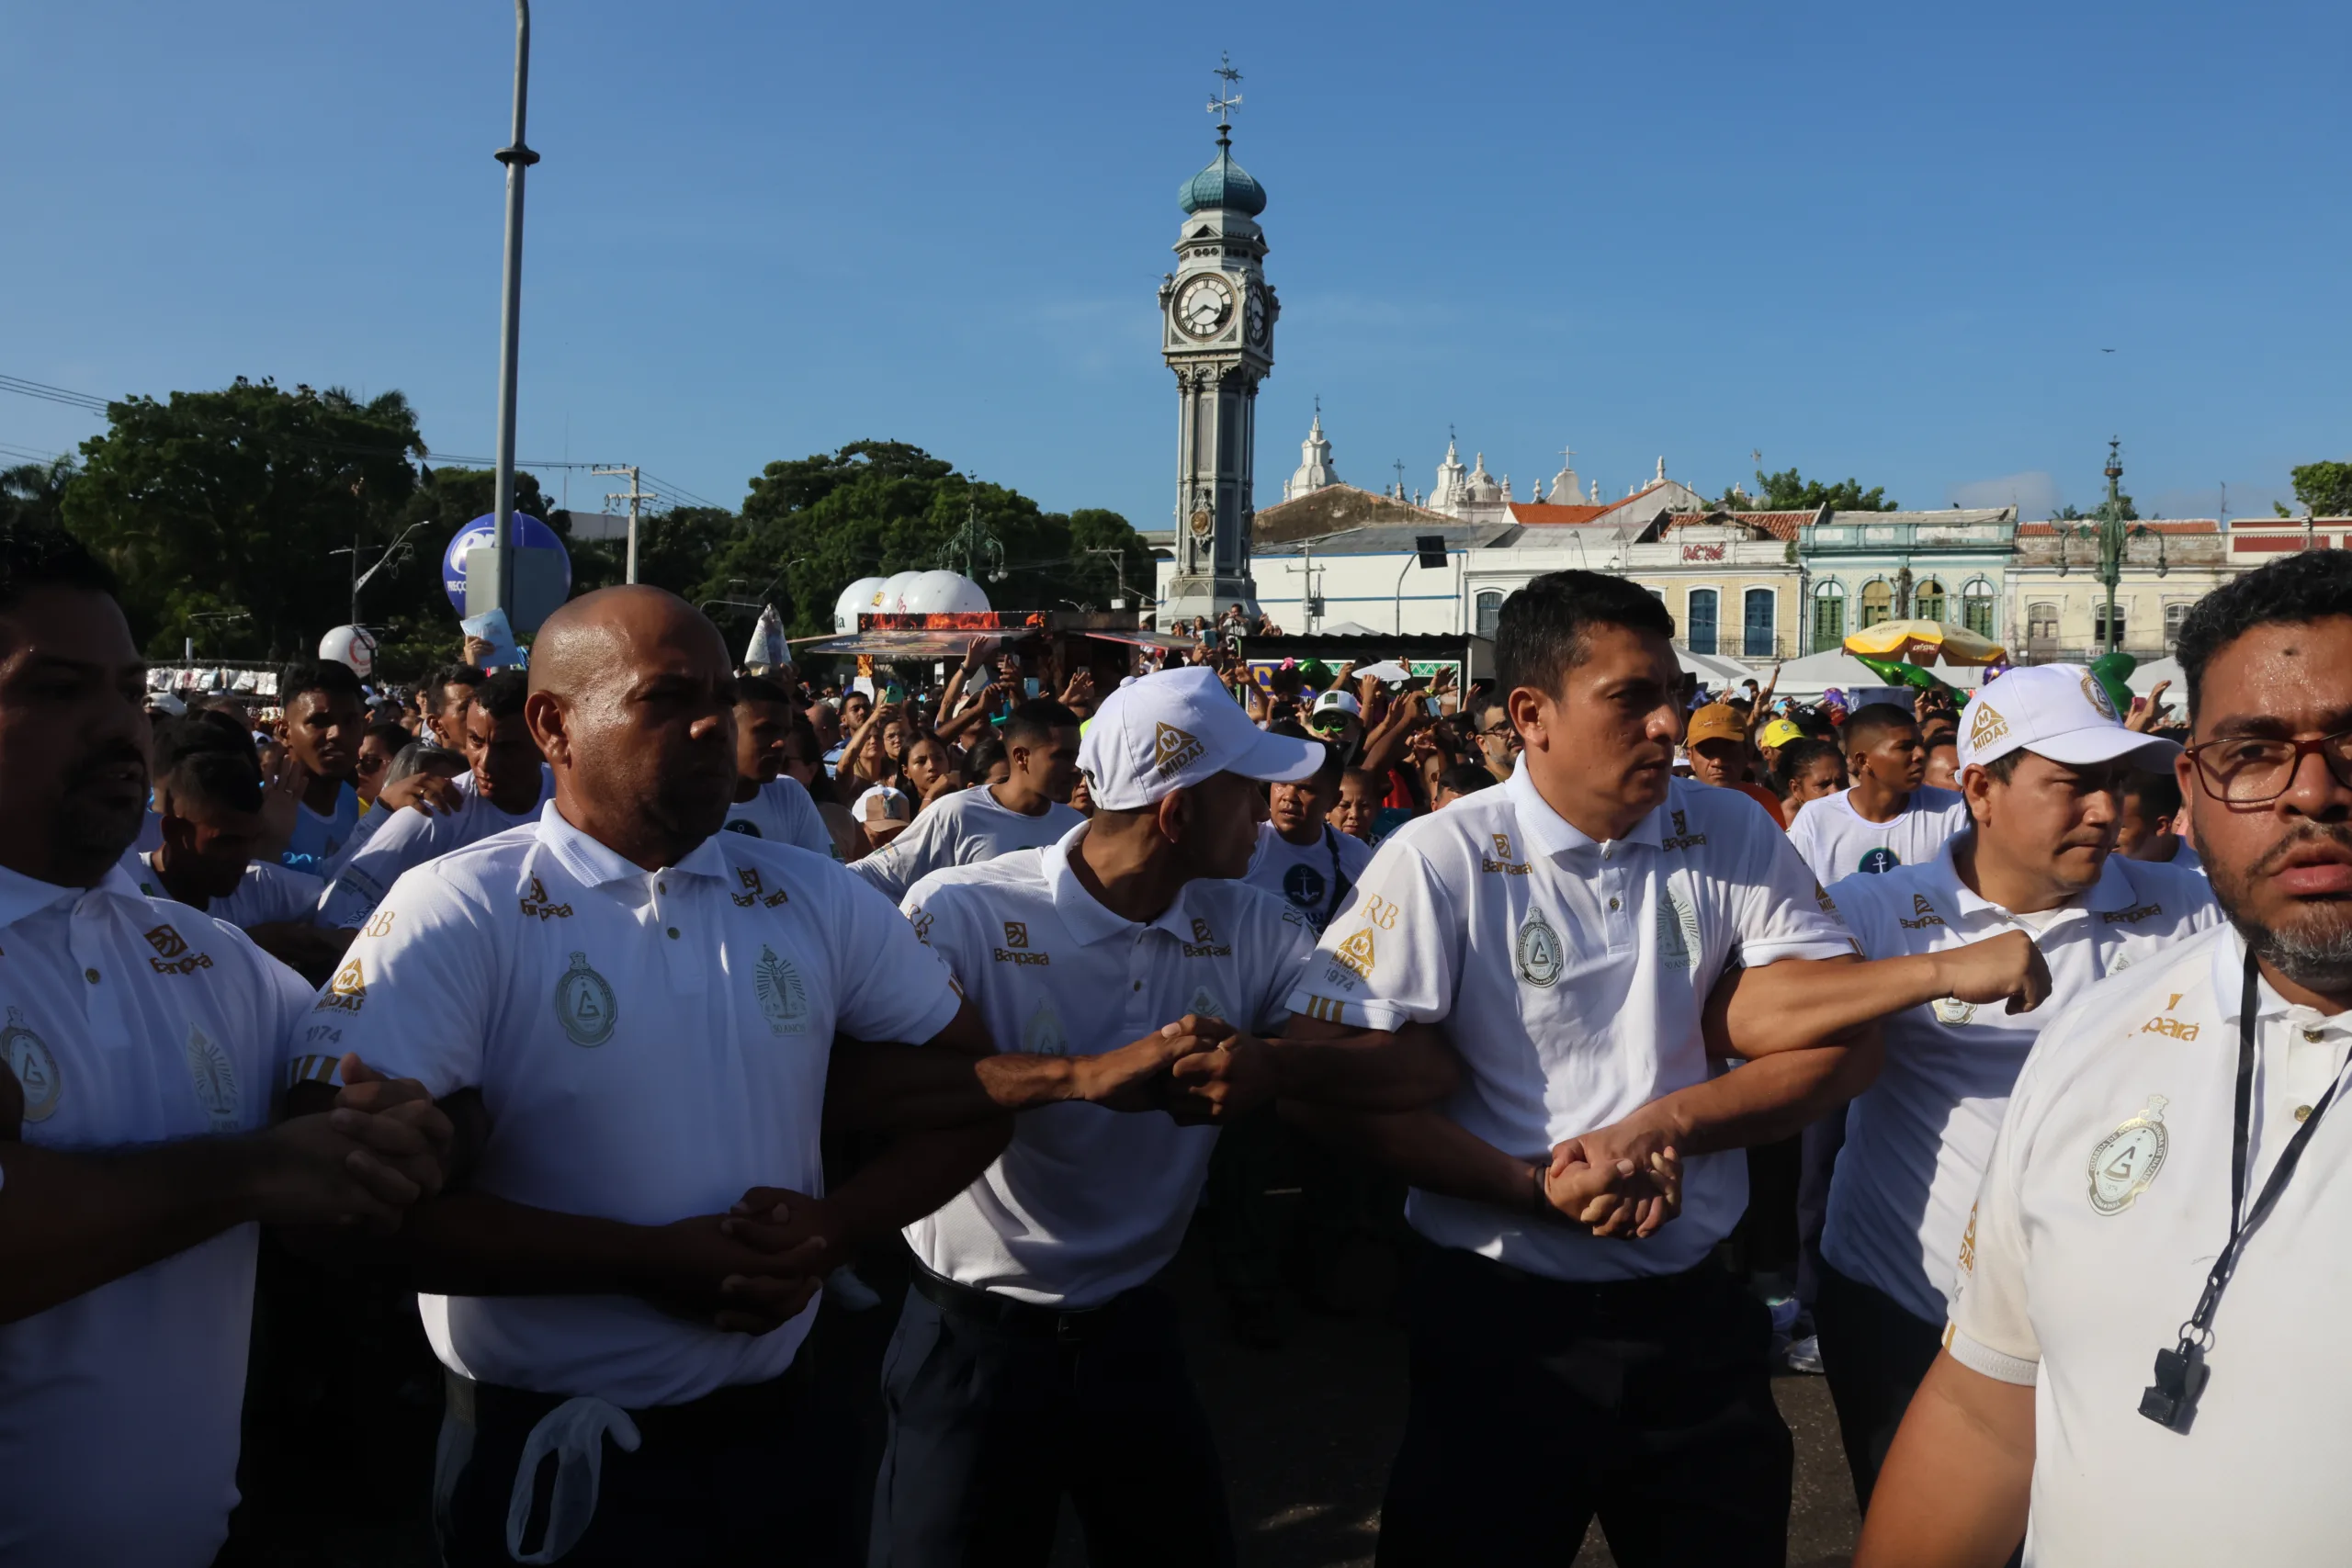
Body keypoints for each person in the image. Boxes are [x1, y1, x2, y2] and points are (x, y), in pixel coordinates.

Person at [302, 586, 1192, 1567]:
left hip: (783, 1433)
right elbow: (359, 1215)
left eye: (720, 696)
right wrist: (648, 1263)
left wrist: (833, 1229)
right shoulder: (460, 907)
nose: (707, 722)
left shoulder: (813, 896)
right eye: (664, 697)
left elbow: (969, 1094)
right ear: (553, 724)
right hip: (551, 1453)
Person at [1274, 570, 2047, 1565]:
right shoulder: (1441, 858)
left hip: (1693, 1315)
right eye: (1630, 699)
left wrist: (1674, 1125)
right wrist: (1527, 1188)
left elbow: (1839, 1045)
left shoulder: (1726, 831)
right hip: (1500, 1323)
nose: (1667, 726)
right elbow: (1319, 1083)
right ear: (1530, 715)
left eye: (1672, 694)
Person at [873, 667, 1459, 1566]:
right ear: (1176, 817)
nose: (1268, 815)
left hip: (1131, 1333)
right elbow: (881, 1095)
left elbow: (1401, 1058)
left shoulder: (1252, 924)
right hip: (969, 1341)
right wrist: (1078, 1076)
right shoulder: (963, 909)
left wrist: (1274, 1063)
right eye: (1246, 794)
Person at [1859, 550, 2352, 1567]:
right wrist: (1932, 973)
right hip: (1890, 1292)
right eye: (2253, 753)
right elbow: (1987, 1410)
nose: (2311, 793)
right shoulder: (2092, 1040)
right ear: (2195, 785)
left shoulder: (2157, 914)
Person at [0, 527, 446, 1567]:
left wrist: (397, 1135)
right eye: (60, 690)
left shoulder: (216, 963)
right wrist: (256, 1174)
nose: (118, 727)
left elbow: (342, 1125)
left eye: (125, 690)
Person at [1815, 664, 2219, 1511]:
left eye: (2115, 783)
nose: (2106, 810)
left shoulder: (2189, 908)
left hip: (2107, 1321)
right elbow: (1759, 1014)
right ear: (1980, 789)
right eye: (2072, 786)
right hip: (1910, 1310)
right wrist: (1934, 973)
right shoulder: (1880, 909)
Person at [314, 670, 550, 930]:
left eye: (507, 747)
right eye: (476, 741)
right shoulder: (433, 812)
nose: (485, 762)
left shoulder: (571, 799)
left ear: (542, 738)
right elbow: (338, 908)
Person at [130, 745, 352, 976]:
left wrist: (316, 939)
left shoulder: (257, 883)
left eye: (252, 839)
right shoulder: (126, 892)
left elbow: (350, 901)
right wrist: (249, 945)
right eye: (227, 841)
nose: (243, 856)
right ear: (175, 832)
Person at [849, 701, 1085, 902]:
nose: (1077, 768)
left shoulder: (1077, 829)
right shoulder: (957, 813)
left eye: (1078, 755)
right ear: (1021, 757)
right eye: (1063, 756)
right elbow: (876, 875)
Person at [1787, 703, 1970, 883]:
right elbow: (1795, 896)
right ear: (1864, 760)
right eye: (1905, 747)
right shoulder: (1815, 819)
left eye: (1919, 744)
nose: (1920, 754)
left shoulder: (1954, 810)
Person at [1245, 734, 1373, 935]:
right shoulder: (1243, 845)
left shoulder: (1357, 855)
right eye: (1281, 783)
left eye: (1305, 789)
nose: (1289, 796)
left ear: (1333, 800)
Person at [718, 673, 832, 856]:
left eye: (785, 733)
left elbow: (825, 874)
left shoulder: (790, 795)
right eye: (766, 730)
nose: (781, 743)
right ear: (726, 728)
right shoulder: (687, 801)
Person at [277, 660, 368, 874]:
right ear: (284, 732)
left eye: (350, 721)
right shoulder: (257, 805)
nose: (336, 734)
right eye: (319, 721)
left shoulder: (348, 799)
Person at [1686, 701, 1790, 826]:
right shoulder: (1670, 807)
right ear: (1690, 758)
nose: (1718, 762)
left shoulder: (1764, 804)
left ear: (1748, 753)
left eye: (1728, 750)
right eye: (1708, 752)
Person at [2118, 766, 2201, 869]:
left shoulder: (2209, 876)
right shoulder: (2100, 870)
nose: (2104, 830)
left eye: (2118, 825)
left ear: (2160, 826)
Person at [1776, 736, 1849, 820]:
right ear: (1796, 790)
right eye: (1823, 785)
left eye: (1842, 781)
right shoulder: (1791, 833)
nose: (1836, 791)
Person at [418, 662, 484, 749]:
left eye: (485, 706)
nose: (482, 714)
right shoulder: (420, 761)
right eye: (467, 708)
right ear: (436, 725)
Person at [354, 718, 409, 808]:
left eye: (369, 761)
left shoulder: (418, 813)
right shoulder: (343, 808)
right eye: (354, 760)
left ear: (400, 764)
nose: (358, 768)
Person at [1330, 766, 1382, 842]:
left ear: (1377, 808)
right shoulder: (1312, 849)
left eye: (1364, 806)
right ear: (1327, 809)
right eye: (1344, 806)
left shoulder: (1384, 848)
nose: (1354, 814)